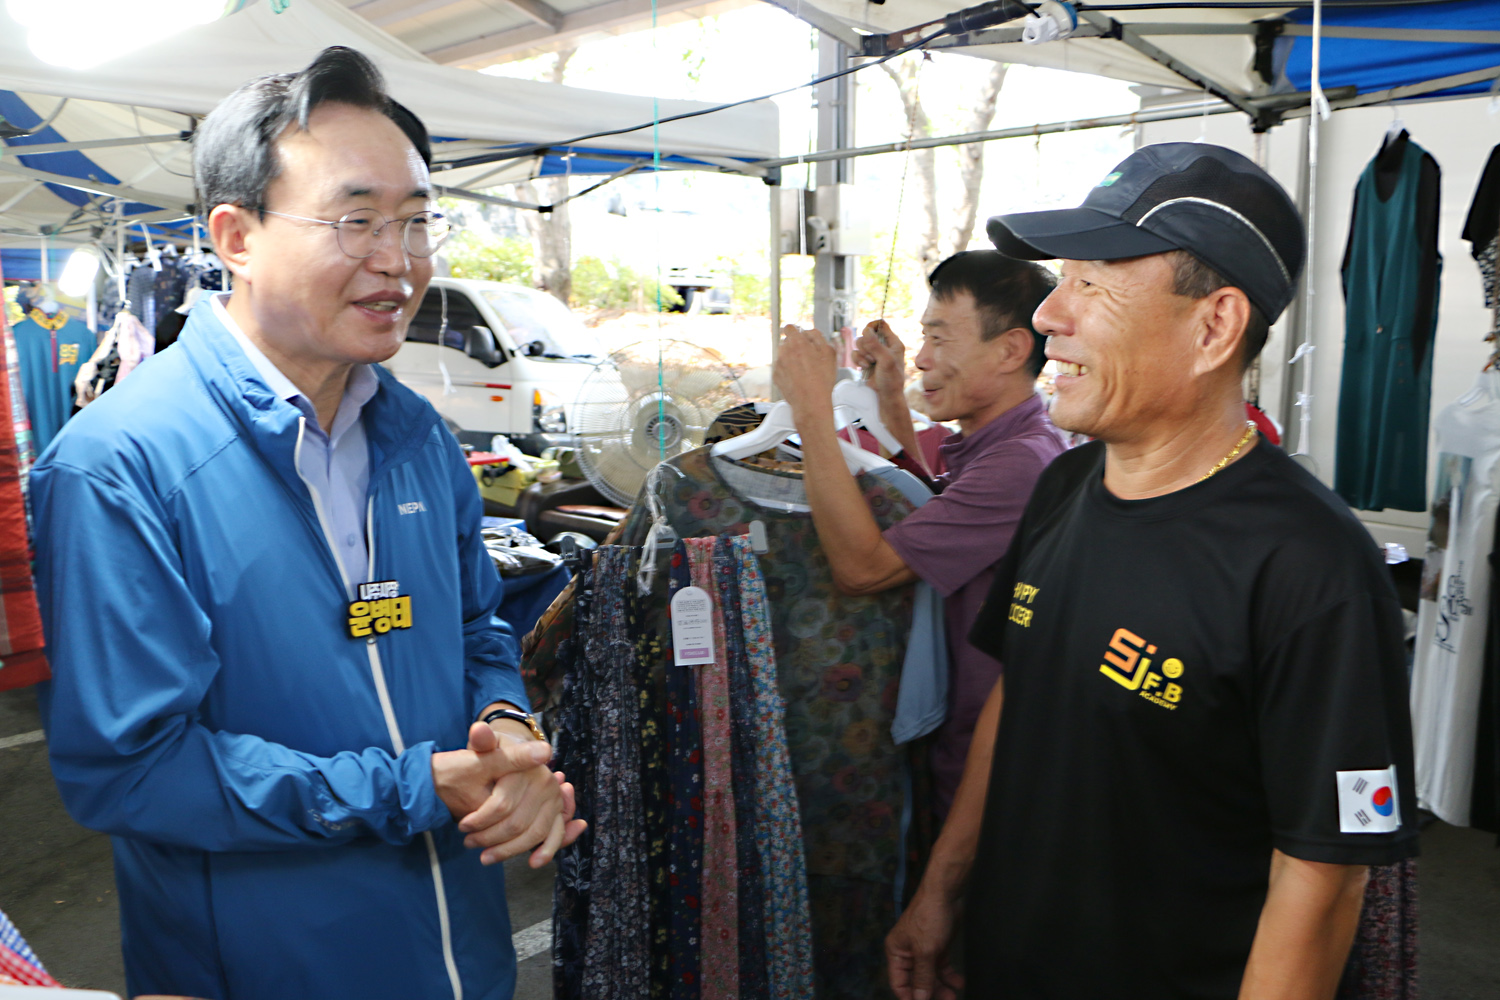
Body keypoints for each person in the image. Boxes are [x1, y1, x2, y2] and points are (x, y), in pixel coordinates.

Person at [31, 47, 582, 1000]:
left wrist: (500, 726)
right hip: (266, 965)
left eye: (415, 223)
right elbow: (130, 772)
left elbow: (473, 627)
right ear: (236, 237)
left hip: (461, 957)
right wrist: (412, 786)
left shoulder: (415, 433)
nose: (399, 262)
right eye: (356, 220)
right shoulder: (122, 463)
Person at [885, 143, 1418, 1000]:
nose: (1052, 314)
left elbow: (1324, 876)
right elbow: (1020, 696)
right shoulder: (1064, 486)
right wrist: (943, 889)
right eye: (1063, 279)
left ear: (1214, 326)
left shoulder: (1312, 567)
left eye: (1092, 282)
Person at [773, 250, 1065, 817]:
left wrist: (809, 409)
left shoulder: (1021, 463)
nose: (923, 360)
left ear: (1011, 349)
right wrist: (887, 397)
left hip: (985, 762)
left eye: (941, 339)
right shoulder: (1011, 440)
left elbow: (863, 570)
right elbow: (937, 507)